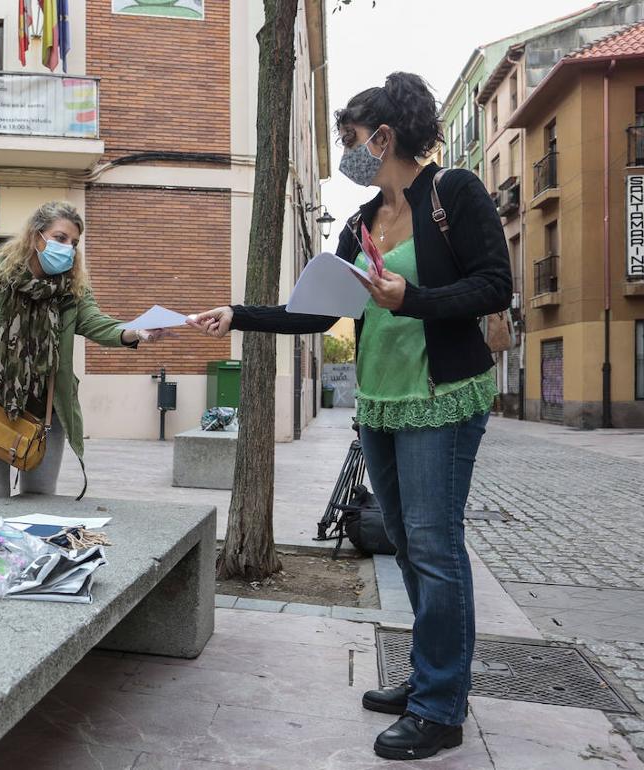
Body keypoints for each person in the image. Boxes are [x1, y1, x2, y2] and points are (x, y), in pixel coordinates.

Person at [188, 72, 511, 761]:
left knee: (433, 545)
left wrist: (410, 299)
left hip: (440, 398)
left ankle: (440, 708)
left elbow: (493, 284)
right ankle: (431, 676)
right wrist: (237, 314)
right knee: (403, 539)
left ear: (385, 136)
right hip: (382, 402)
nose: (347, 155)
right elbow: (317, 308)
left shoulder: (454, 193)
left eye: (350, 141)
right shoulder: (365, 219)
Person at [0, 200, 165, 508]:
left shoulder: (71, 291)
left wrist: (135, 332)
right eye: (60, 238)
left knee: (40, 505)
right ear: (35, 236)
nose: (68, 248)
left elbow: (95, 322)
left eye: (74, 243)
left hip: (45, 416)